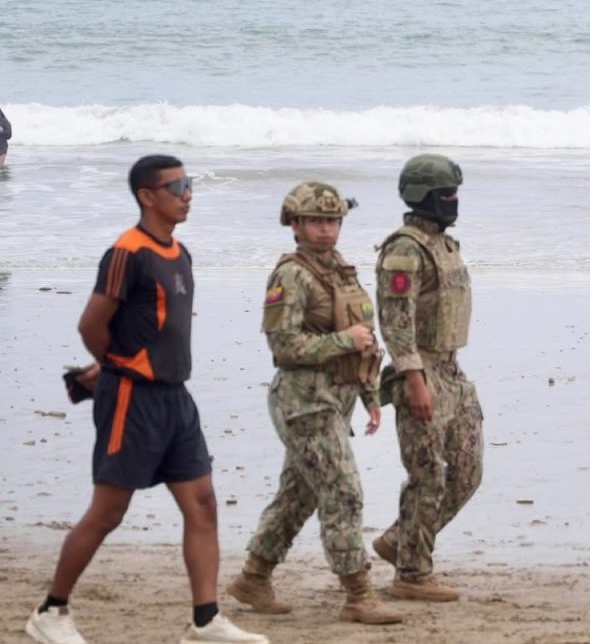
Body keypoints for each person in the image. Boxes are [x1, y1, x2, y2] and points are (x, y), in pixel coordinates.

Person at [25, 155, 267, 644]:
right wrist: (115, 366)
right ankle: (51, 611)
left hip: (177, 399)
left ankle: (205, 620)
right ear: (147, 195)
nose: (187, 193)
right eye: (177, 185)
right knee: (108, 511)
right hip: (132, 400)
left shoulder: (180, 252)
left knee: (202, 504)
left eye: (189, 183)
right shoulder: (126, 252)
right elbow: (90, 324)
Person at [226, 182, 402, 625]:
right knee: (343, 491)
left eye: (333, 220)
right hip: (303, 403)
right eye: (316, 221)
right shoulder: (291, 275)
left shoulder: (341, 269)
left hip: (336, 399)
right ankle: (358, 594)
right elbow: (284, 346)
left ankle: (253, 577)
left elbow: (362, 334)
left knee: (299, 494)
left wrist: (369, 394)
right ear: (295, 224)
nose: (326, 229)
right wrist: (343, 340)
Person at [372, 154, 483, 602]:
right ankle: (412, 575)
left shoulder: (443, 244)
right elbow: (395, 325)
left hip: (452, 369)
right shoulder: (404, 249)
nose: (453, 201)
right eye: (445, 194)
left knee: (467, 472)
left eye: (455, 192)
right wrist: (415, 381)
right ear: (423, 196)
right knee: (427, 476)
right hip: (421, 370)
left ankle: (400, 541)